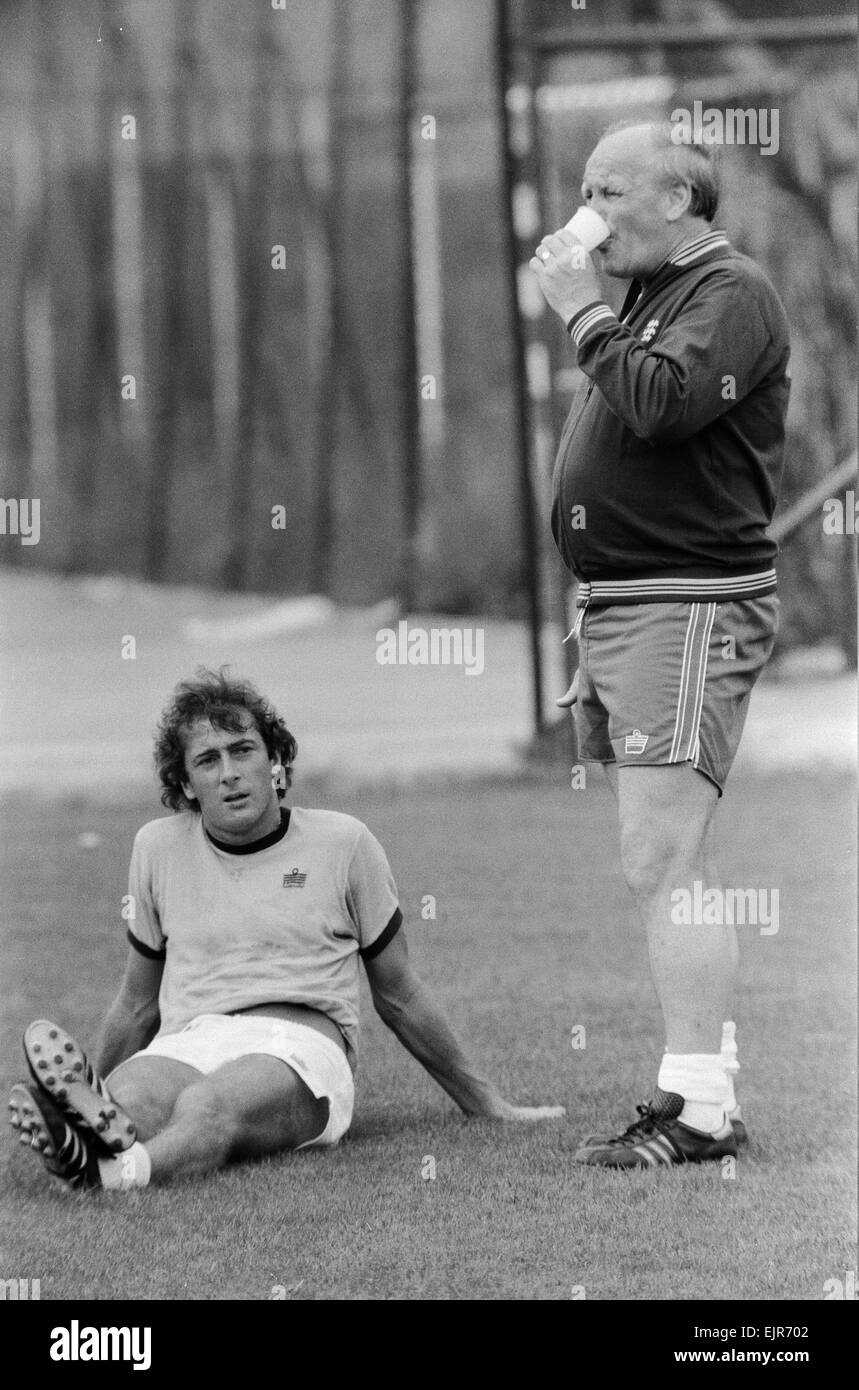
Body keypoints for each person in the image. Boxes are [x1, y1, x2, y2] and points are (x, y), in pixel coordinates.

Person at [10, 668, 563, 1190]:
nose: (229, 773)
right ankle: (88, 1131)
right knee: (133, 1099)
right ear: (186, 783)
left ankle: (113, 1176)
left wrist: (489, 1104)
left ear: (274, 761)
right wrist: (97, 1090)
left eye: (244, 751)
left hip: (299, 1046)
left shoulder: (345, 844)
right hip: (191, 1037)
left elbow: (400, 995)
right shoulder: (156, 848)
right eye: (207, 761)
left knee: (206, 1106)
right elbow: (136, 1005)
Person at [530, 120, 789, 1167]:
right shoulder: (651, 293)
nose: (585, 210)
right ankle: (695, 1093)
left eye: (607, 191)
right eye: (583, 188)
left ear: (676, 200)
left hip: (689, 603)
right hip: (634, 603)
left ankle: (702, 1109)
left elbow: (662, 403)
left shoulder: (729, 291)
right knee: (659, 855)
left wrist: (579, 308)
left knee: (663, 851)